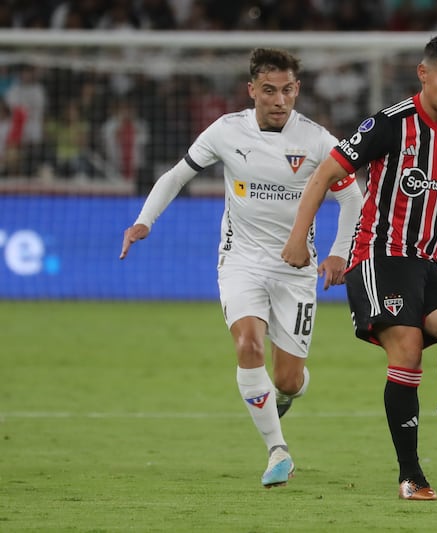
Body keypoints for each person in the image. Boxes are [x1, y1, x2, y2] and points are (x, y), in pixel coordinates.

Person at [281, 34, 437, 501]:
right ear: (424, 74)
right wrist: (298, 238)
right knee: (407, 351)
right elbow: (324, 175)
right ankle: (411, 476)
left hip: (426, 262)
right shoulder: (390, 124)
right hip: (376, 256)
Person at [119, 48, 362, 488]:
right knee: (248, 346)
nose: (279, 100)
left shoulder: (318, 141)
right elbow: (177, 175)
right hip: (240, 262)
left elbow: (352, 198)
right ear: (252, 90)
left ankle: (284, 394)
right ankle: (277, 451)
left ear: (297, 90)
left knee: (288, 379)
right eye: (269, 90)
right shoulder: (226, 131)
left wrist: (339, 252)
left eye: (287, 90)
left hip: (296, 271)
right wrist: (143, 220)